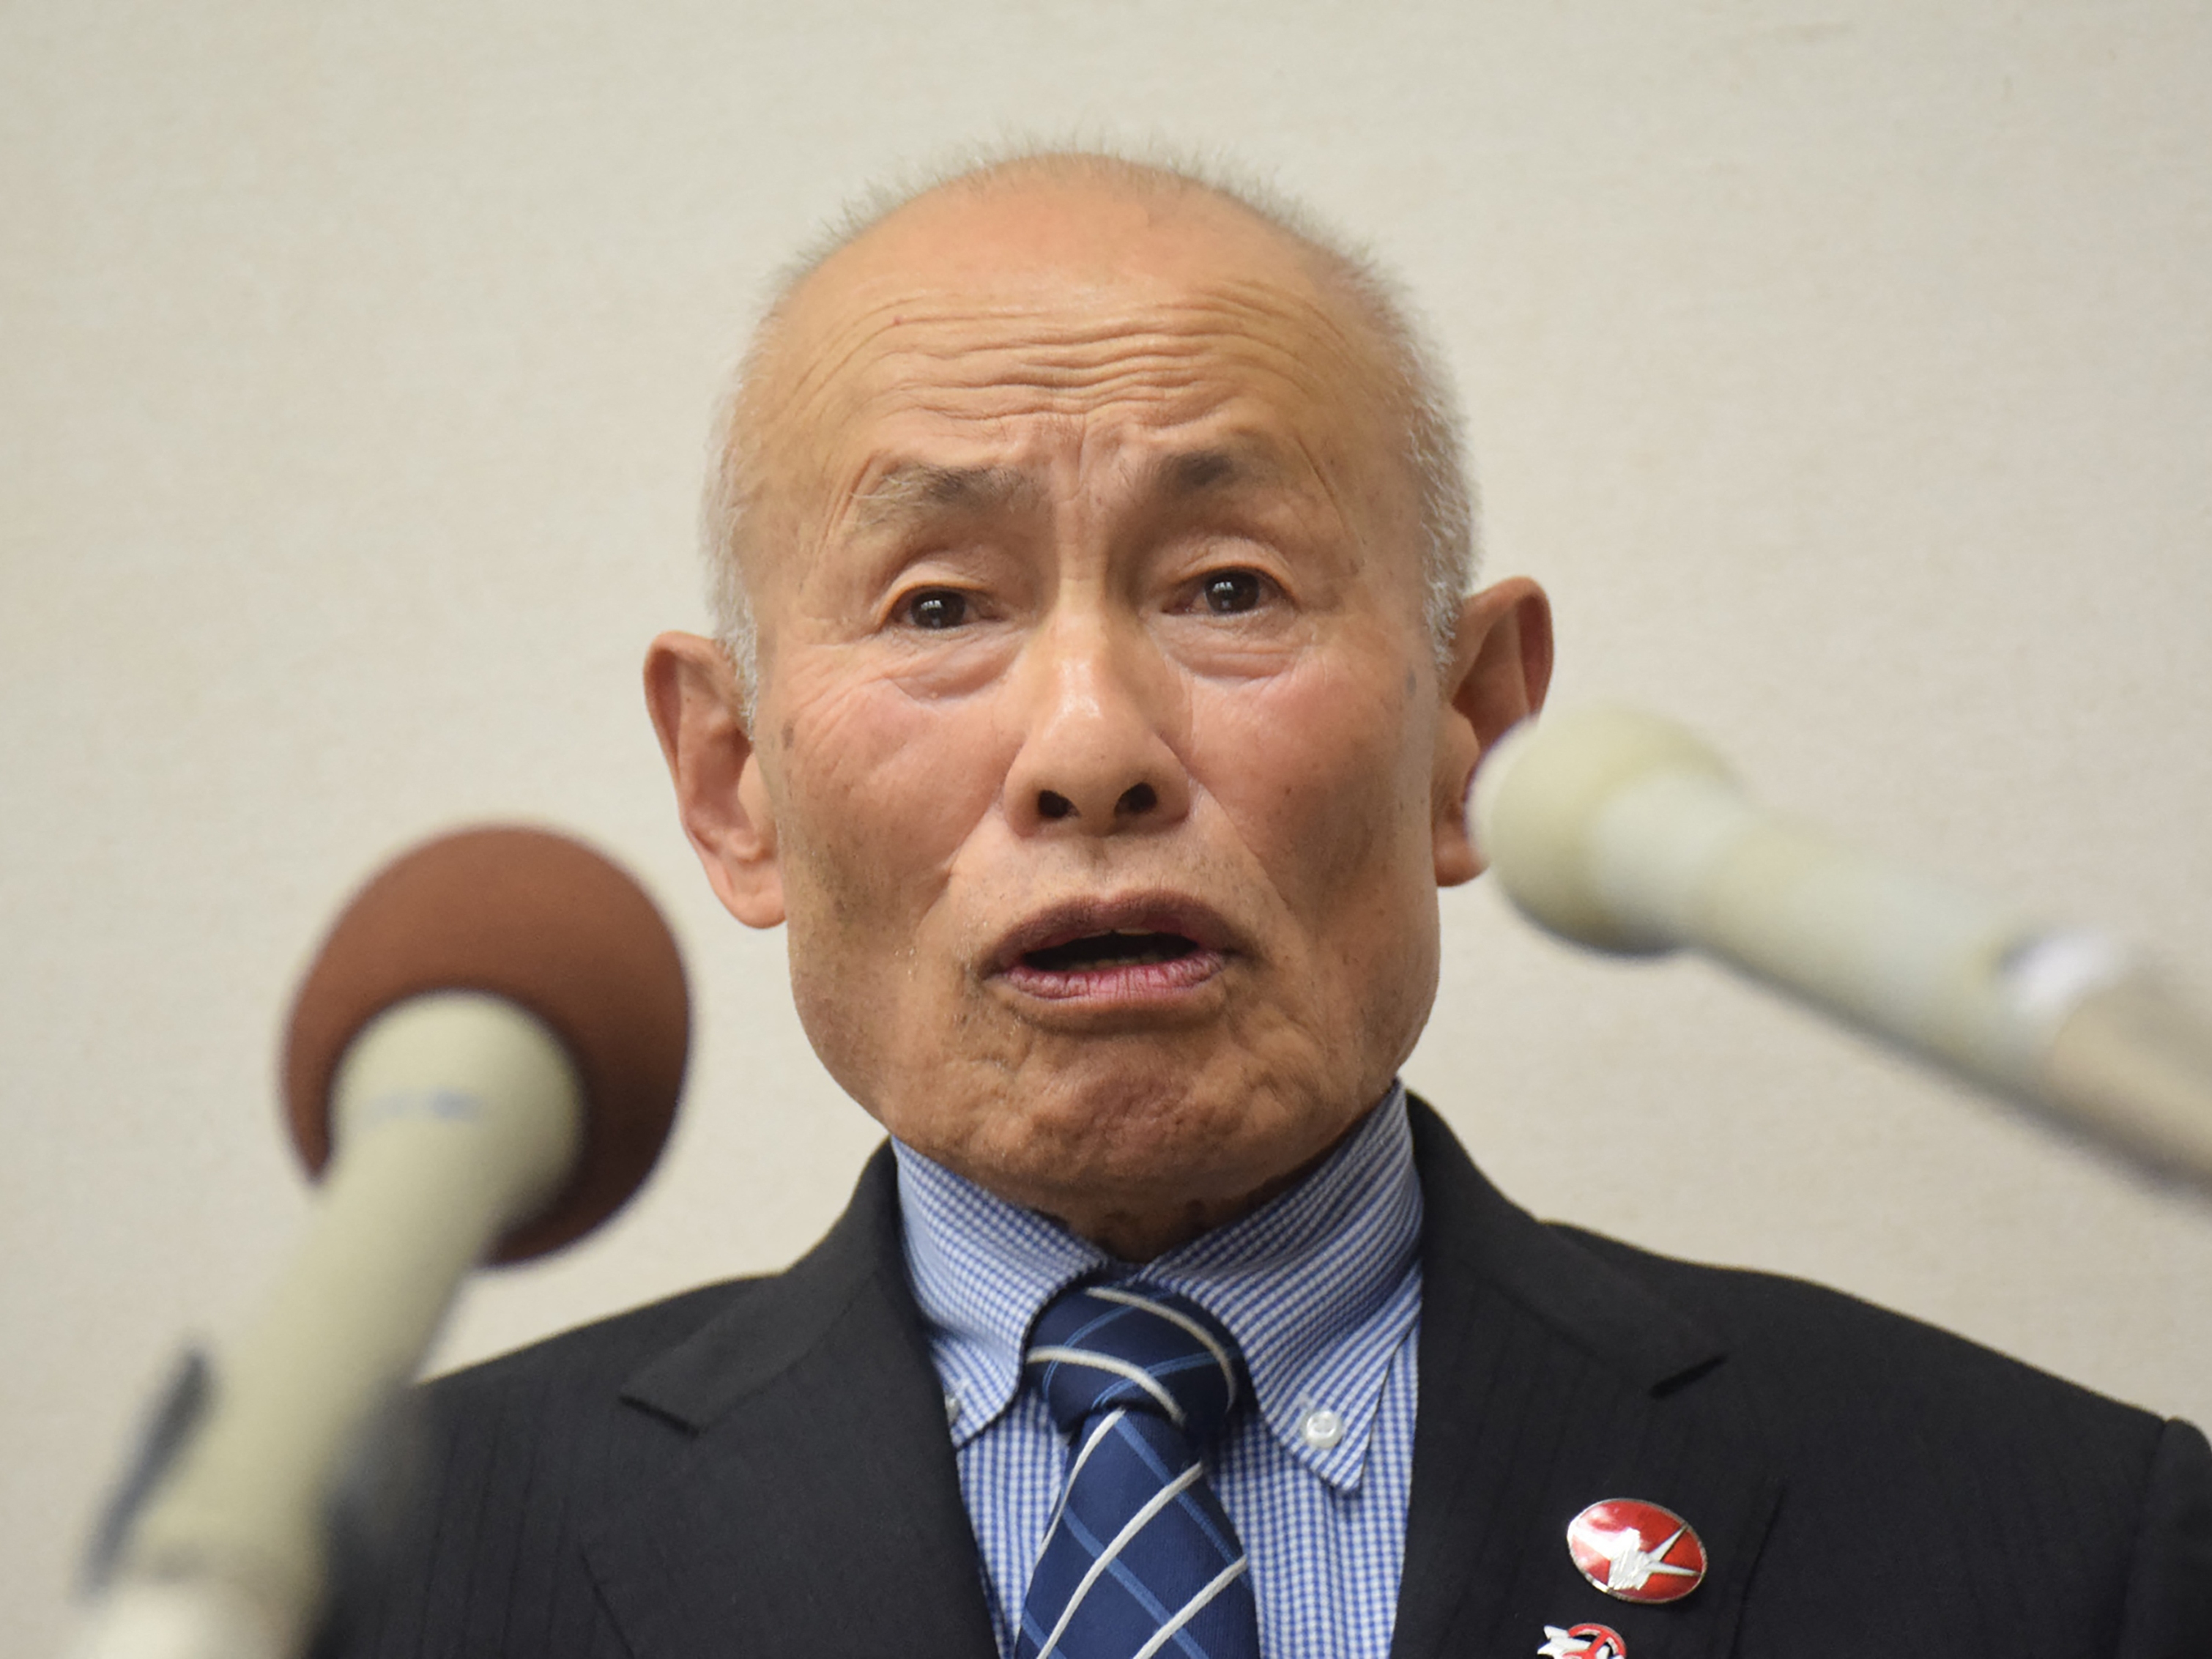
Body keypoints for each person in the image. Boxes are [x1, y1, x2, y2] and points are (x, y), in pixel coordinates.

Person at [333, 152, 2212, 1658]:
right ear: (733, 780)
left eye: (1230, 586)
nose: (1091, 745)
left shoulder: (2056, 1542)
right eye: (939, 604)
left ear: (1471, 729)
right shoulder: (361, 1579)